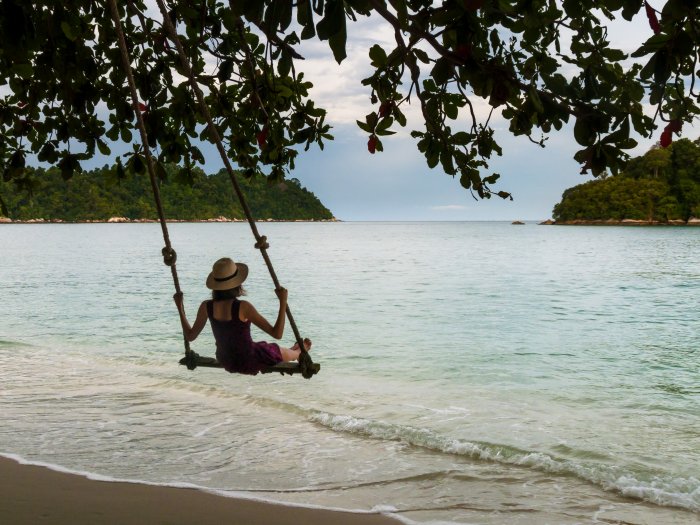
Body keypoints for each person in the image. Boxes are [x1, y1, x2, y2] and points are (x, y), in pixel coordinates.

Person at [173, 257, 311, 375]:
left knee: (265, 348)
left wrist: (180, 308)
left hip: (226, 360)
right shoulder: (243, 307)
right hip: (248, 360)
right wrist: (283, 302)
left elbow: (190, 336)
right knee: (272, 350)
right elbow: (277, 333)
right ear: (237, 284)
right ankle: (298, 353)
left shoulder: (206, 306)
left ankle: (293, 350)